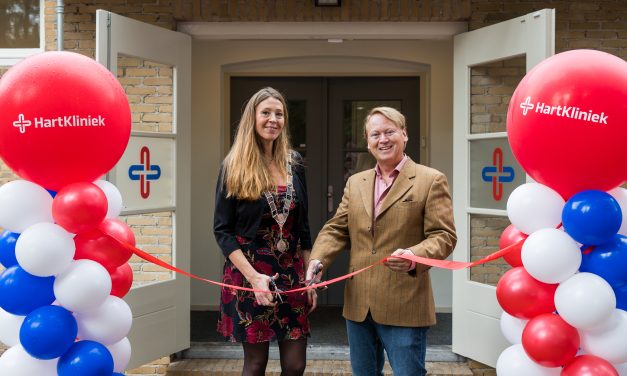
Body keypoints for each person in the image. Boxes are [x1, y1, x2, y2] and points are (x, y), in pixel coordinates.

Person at [306, 106, 457, 376]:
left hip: (405, 303)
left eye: (389, 132)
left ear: (404, 134)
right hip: (358, 306)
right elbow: (336, 229)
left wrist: (414, 255)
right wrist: (318, 260)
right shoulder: (356, 182)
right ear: (367, 141)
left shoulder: (430, 180)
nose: (383, 139)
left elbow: (444, 236)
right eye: (375, 134)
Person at [214, 87, 315, 376]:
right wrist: (254, 279)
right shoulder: (233, 166)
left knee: (296, 365)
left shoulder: (294, 163)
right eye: (266, 113)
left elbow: (304, 227)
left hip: (291, 273)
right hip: (250, 274)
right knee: (256, 364)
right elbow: (222, 231)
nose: (273, 119)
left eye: (279, 114)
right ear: (253, 118)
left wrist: (309, 277)